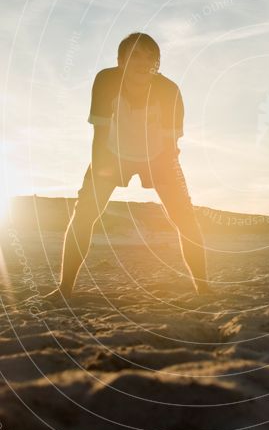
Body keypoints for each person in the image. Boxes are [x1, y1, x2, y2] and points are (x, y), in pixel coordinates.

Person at [46, 32, 210, 302]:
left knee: (185, 218)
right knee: (84, 214)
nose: (143, 62)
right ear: (120, 60)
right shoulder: (106, 81)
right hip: (112, 154)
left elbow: (171, 148)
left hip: (158, 156)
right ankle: (64, 288)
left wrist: (171, 183)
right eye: (135, 55)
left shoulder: (170, 91)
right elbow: (99, 134)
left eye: (150, 57)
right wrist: (96, 180)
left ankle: (204, 289)